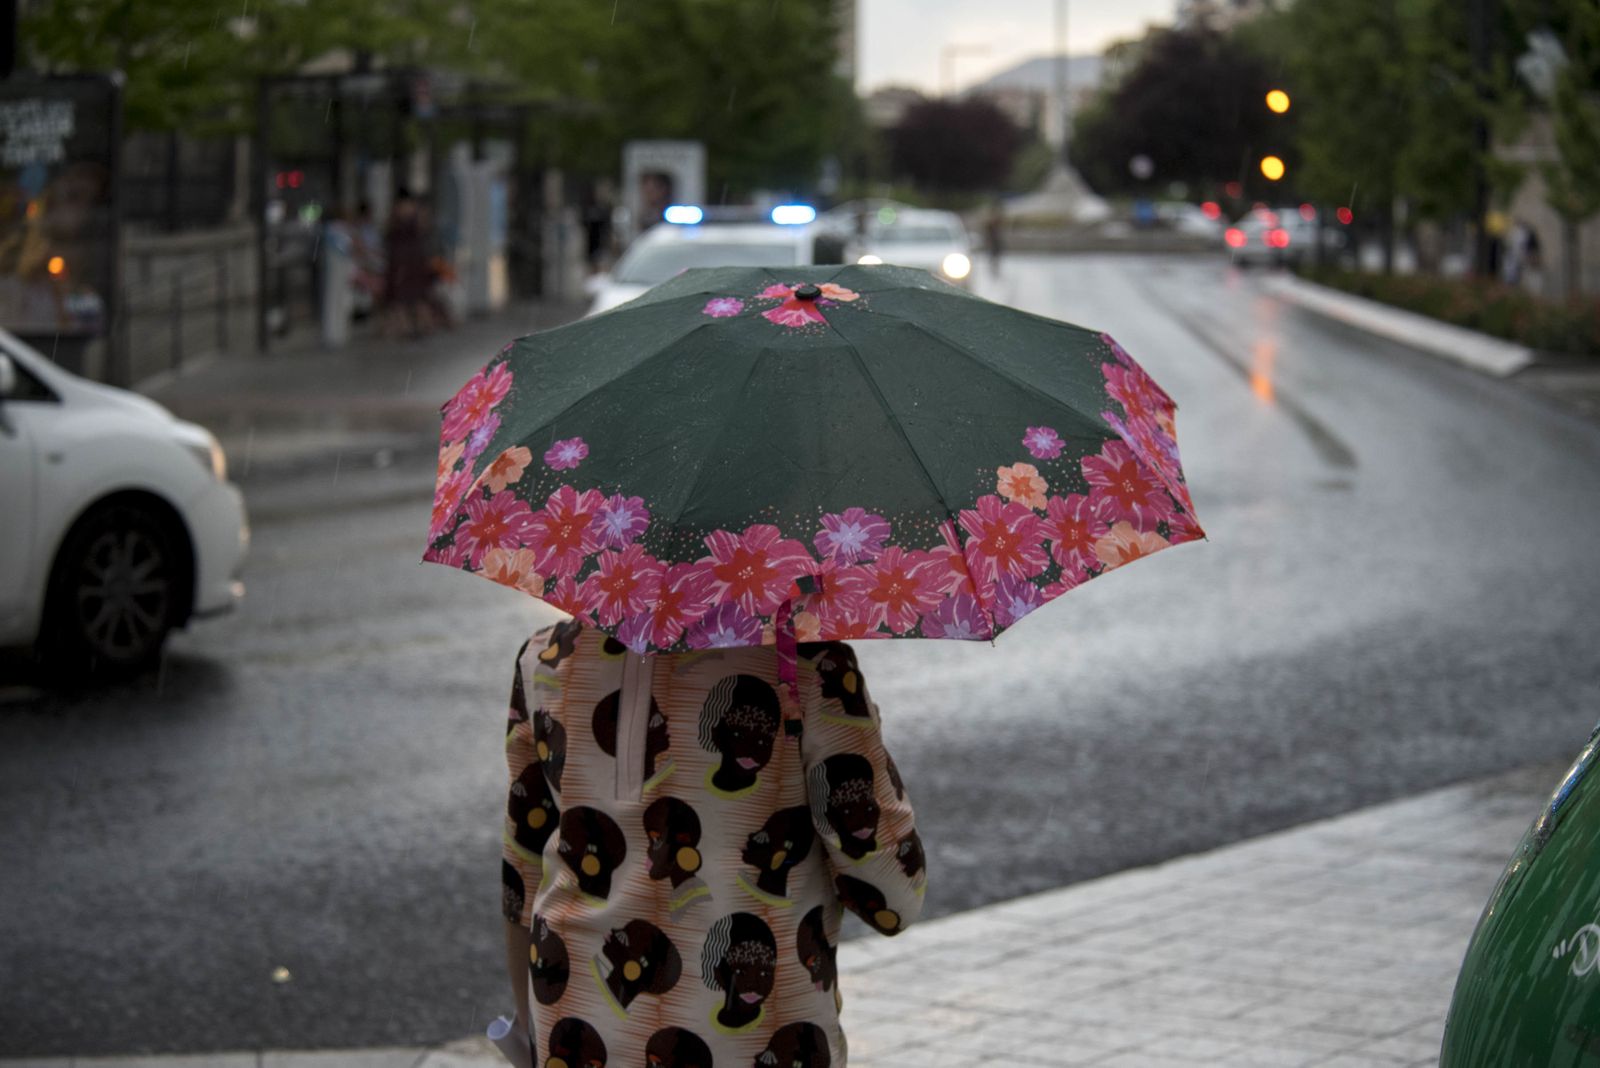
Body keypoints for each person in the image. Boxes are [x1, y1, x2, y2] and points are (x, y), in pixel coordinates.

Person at [500, 620, 925, 1067]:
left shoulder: (545, 656)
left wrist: (528, 1030)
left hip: (577, 1028)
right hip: (763, 1042)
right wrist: (864, 735)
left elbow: (522, 875)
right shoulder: (805, 664)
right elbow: (893, 897)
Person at [382, 189, 435, 339]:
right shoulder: (419, 213)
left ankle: (406, 327)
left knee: (401, 297)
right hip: (415, 258)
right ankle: (422, 326)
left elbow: (388, 232)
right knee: (418, 296)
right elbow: (424, 230)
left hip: (402, 259)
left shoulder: (397, 213)